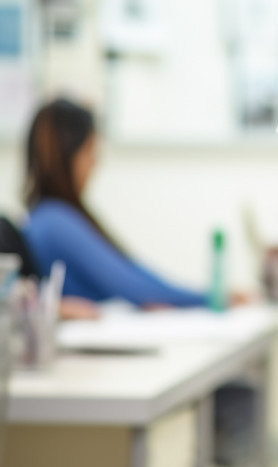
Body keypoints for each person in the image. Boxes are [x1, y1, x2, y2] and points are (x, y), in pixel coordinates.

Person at [21, 97, 209, 309]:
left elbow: (130, 272)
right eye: (89, 151)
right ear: (69, 154)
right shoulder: (54, 222)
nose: (94, 163)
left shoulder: (47, 218)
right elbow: (134, 286)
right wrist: (209, 299)